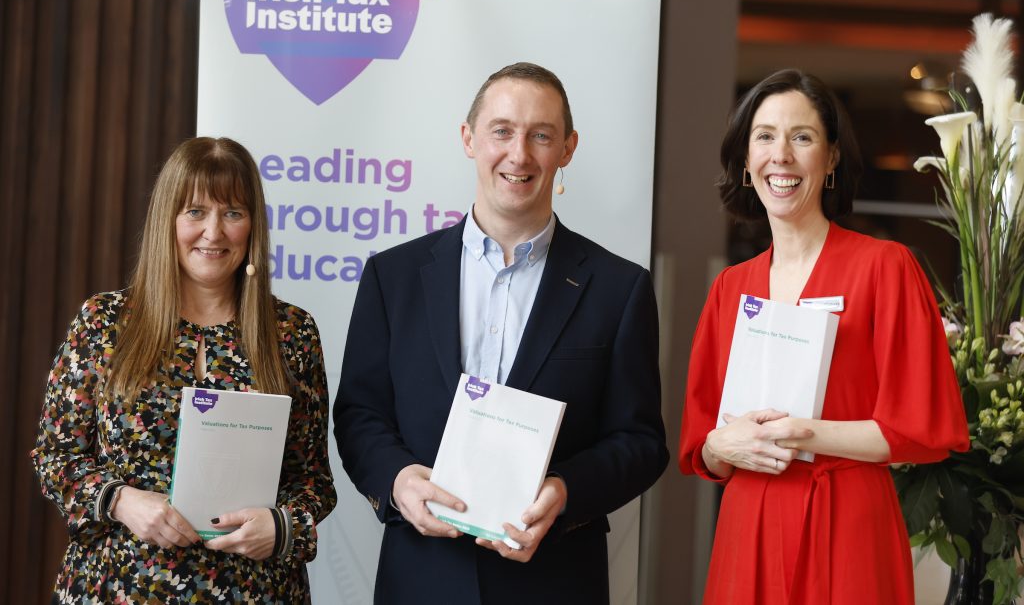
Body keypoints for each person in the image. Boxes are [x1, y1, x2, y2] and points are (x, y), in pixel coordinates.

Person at [334, 62, 668, 605]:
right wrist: (397, 481)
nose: (519, 154)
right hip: (421, 578)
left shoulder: (618, 288)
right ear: (468, 138)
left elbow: (641, 443)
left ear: (568, 149)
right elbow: (359, 414)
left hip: (555, 579)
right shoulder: (392, 278)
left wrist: (564, 492)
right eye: (502, 131)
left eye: (541, 135)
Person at [678, 69, 969, 603]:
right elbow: (706, 448)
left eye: (802, 137)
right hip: (750, 525)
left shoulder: (886, 267)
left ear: (831, 157)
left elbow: (921, 430)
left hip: (848, 521)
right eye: (764, 136)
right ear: (746, 161)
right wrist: (722, 443)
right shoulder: (729, 289)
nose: (781, 155)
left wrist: (801, 433)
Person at [31, 137, 337, 604]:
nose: (214, 232)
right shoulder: (104, 322)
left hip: (251, 590)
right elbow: (54, 456)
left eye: (233, 213)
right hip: (117, 587)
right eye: (195, 211)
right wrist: (120, 499)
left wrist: (280, 526)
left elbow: (313, 480)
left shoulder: (291, 333)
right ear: (167, 221)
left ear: (253, 226)